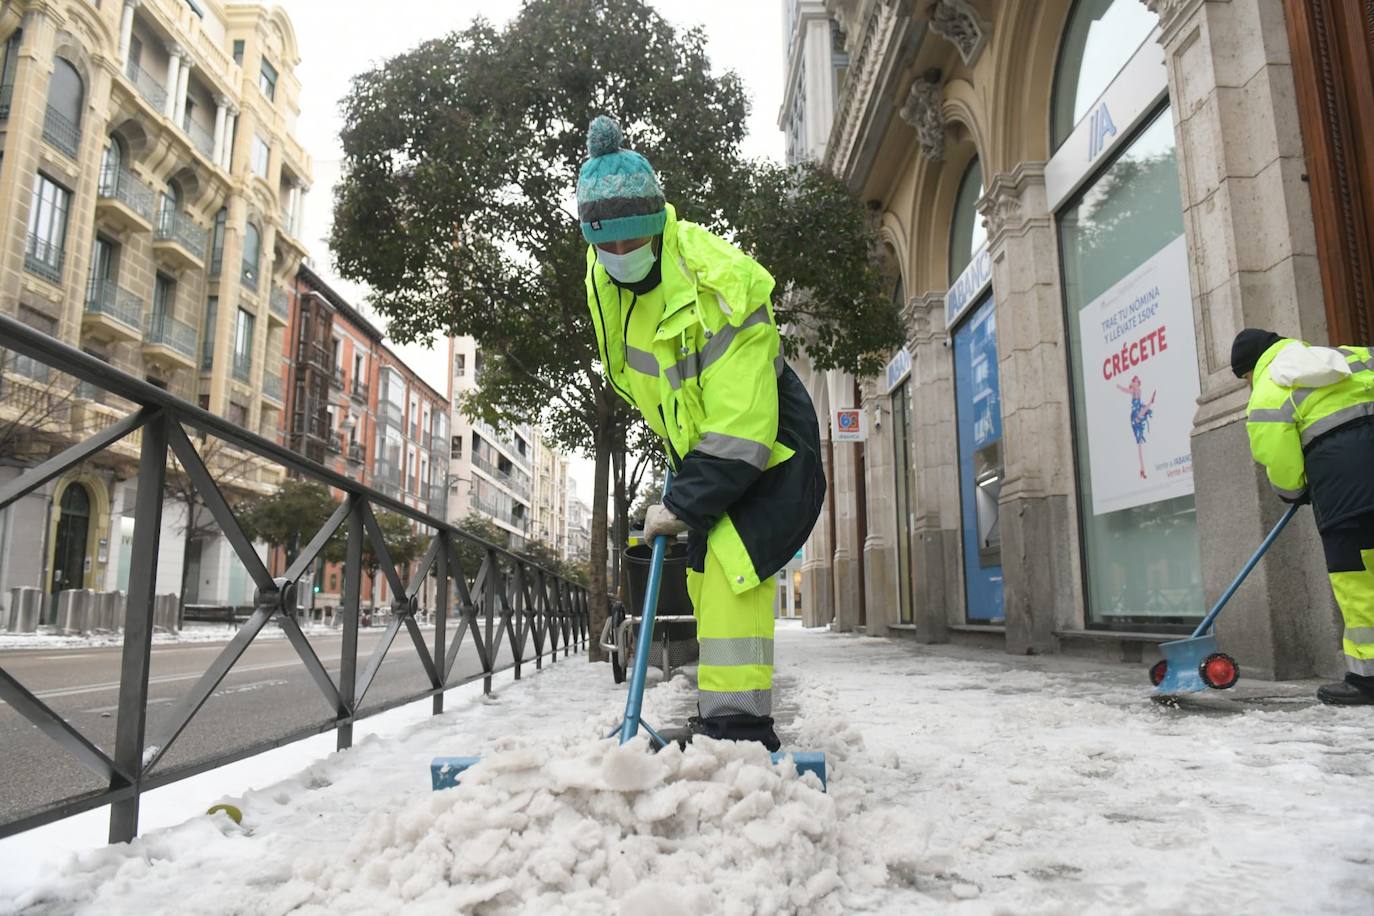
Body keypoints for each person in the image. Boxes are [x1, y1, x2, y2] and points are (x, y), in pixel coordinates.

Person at [577, 115, 825, 749]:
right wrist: (679, 475)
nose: (623, 258)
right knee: (701, 570)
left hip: (770, 449)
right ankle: (723, 723)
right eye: (611, 247)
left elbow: (742, 429)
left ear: (659, 224)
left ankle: (740, 731)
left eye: (636, 243)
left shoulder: (722, 285)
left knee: (731, 564)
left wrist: (683, 500)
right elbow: (659, 385)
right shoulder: (602, 277)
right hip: (704, 448)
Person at [1233, 328, 1374, 705]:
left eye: (1245, 379)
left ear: (1250, 371)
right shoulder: (1349, 356)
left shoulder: (1267, 394)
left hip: (1347, 499)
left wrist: (1295, 491)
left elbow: (1279, 462)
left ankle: (1367, 681)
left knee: (1359, 586)